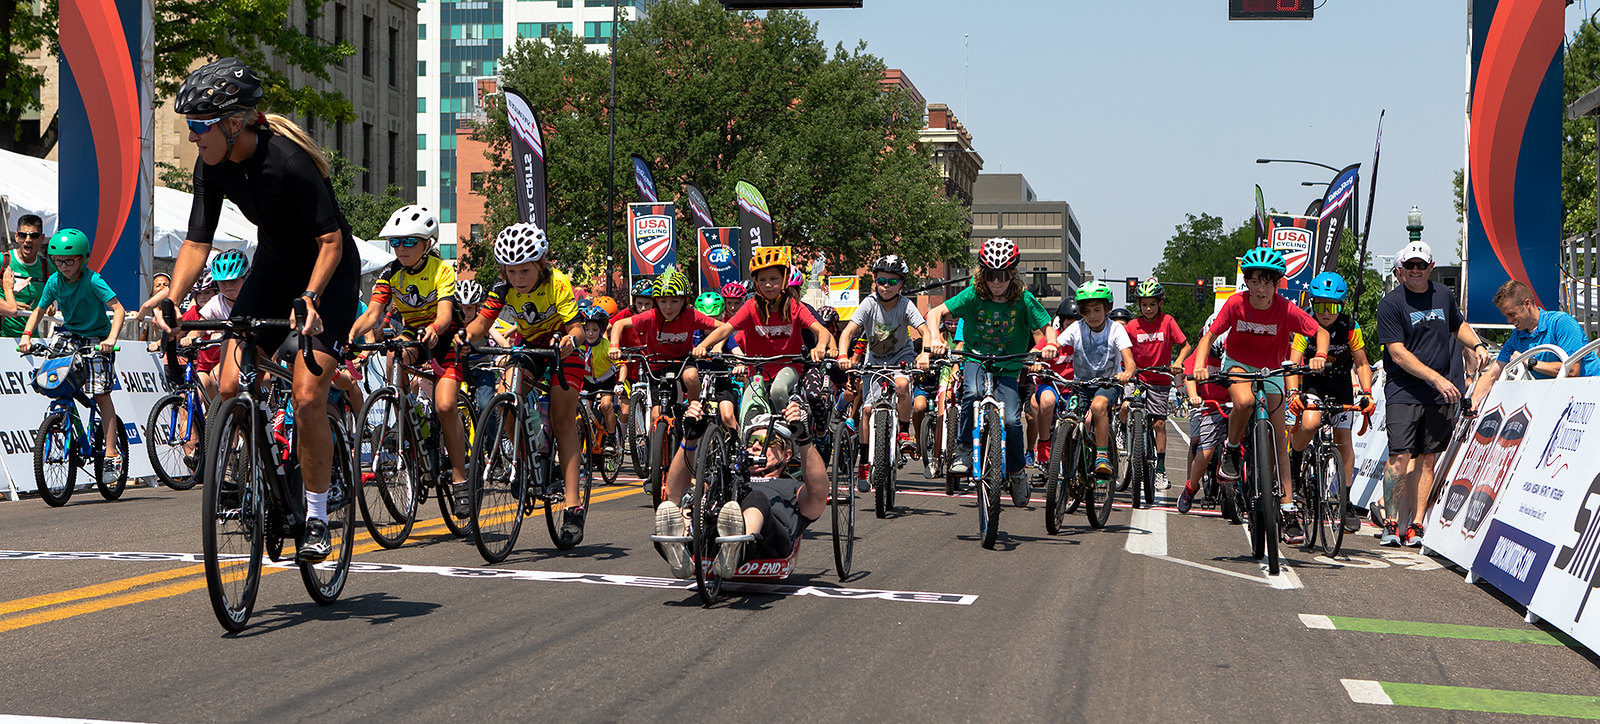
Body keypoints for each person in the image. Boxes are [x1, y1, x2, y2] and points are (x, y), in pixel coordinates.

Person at [141, 58, 364, 562]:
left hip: (327, 271)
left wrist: (309, 297)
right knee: (227, 385)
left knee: (308, 396)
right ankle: (263, 478)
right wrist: (174, 297)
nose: (193, 136)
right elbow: (197, 241)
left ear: (233, 122)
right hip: (275, 265)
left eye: (198, 126)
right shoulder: (211, 165)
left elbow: (330, 240)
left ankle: (315, 513)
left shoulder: (287, 160)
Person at [1193, 247, 1328, 545]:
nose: (1262, 288)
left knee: (1279, 442)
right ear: (1248, 282)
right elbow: (1209, 338)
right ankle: (1231, 447)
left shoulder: (1286, 308)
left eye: (1269, 282)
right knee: (1244, 401)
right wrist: (1201, 365)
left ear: (1277, 284)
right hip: (1239, 364)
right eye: (1255, 281)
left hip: (1273, 372)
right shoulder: (1235, 304)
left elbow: (1321, 332)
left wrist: (1319, 354)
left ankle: (1289, 509)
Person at [466, 222, 587, 545]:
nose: (518, 280)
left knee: (563, 422)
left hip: (562, 348)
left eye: (525, 271)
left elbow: (576, 328)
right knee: (505, 393)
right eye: (511, 272)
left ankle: (573, 506)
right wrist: (463, 338)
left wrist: (571, 343)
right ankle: (523, 460)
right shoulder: (502, 287)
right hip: (531, 347)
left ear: (540, 265)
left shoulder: (557, 282)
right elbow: (481, 323)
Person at [349, 205, 474, 515]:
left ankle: (460, 480)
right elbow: (373, 314)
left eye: (408, 242)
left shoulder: (441, 269)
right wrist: (351, 334)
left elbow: (445, 315)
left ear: (426, 243)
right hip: (412, 332)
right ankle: (406, 416)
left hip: (445, 337)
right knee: (393, 352)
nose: (400, 249)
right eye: (395, 243)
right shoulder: (390, 273)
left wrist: (434, 328)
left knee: (446, 406)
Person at [920, 238, 1057, 504]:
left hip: (1008, 365)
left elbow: (1047, 326)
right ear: (983, 274)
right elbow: (934, 313)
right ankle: (963, 450)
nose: (997, 281)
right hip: (977, 359)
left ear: (1012, 274)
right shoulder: (973, 294)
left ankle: (1017, 473)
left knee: (1013, 422)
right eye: (991, 275)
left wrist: (1050, 343)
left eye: (1003, 275)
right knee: (971, 392)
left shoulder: (1024, 299)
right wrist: (935, 338)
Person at [1375, 240, 1486, 547]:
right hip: (1404, 390)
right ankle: (1391, 521)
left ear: (1430, 268)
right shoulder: (1391, 304)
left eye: (1420, 266)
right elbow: (1397, 354)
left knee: (1427, 460)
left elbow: (1457, 326)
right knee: (1399, 457)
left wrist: (1476, 345)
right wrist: (1437, 378)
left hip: (1440, 395)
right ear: (1401, 269)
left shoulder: (1444, 295)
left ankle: (1417, 524)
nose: (1414, 271)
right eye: (1409, 265)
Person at [654, 399, 827, 580]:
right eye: (752, 440)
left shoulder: (792, 487)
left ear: (786, 455)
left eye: (766, 441)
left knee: (756, 497)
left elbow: (818, 496)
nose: (755, 445)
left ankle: (738, 546)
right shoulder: (727, 480)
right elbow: (675, 492)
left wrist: (803, 438)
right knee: (689, 497)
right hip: (718, 533)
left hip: (769, 541)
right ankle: (680, 547)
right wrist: (690, 438)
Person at [20, 229, 126, 482]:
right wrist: (26, 335)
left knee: (101, 394)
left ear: (83, 259)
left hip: (97, 338)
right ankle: (64, 417)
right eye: (58, 261)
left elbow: (118, 310)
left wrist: (110, 340)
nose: (63, 266)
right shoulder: (54, 281)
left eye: (70, 261)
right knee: (52, 379)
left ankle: (111, 453)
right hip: (69, 334)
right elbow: (39, 310)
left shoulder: (93, 280)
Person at [696, 245, 835, 428]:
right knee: (747, 407)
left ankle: (788, 432)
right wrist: (703, 346)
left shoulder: (794, 307)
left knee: (778, 390)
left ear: (784, 280)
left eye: (774, 279)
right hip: (758, 370)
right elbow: (726, 329)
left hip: (789, 366)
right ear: (756, 282)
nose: (768, 284)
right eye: (763, 280)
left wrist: (820, 346)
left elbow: (821, 331)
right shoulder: (750, 307)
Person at [1286, 271, 1374, 534]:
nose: (1326, 312)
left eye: (1332, 306)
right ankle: (1295, 457)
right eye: (1320, 305)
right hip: (1314, 384)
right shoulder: (1305, 324)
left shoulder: (1351, 327)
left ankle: (1345, 501)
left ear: (1342, 305)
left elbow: (1361, 362)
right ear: (1312, 303)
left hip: (1341, 386)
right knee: (1311, 422)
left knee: (1344, 440)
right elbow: (1293, 363)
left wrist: (1367, 392)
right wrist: (1293, 394)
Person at [838, 254, 928, 463]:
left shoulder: (906, 305)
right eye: (881, 281)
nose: (886, 286)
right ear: (875, 282)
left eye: (892, 282)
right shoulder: (868, 304)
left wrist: (925, 352)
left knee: (903, 385)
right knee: (867, 409)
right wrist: (844, 355)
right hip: (875, 360)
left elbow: (924, 330)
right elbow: (849, 331)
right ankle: (863, 462)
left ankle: (904, 432)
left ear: (901, 284)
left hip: (901, 357)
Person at [1055, 281, 1136, 482]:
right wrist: (1044, 353)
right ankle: (1069, 468)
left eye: (1097, 310)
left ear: (1107, 309)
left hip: (1108, 384)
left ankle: (1102, 457)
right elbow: (1055, 345)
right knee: (1067, 421)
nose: (1092, 316)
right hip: (1081, 385)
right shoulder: (1076, 328)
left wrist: (1126, 374)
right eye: (1087, 311)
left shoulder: (1116, 329)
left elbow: (1130, 362)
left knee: (1098, 407)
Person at [1472, 280, 1598, 404]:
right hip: (1564, 399)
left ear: (1527, 304)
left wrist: (1530, 362)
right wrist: (1474, 401)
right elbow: (1492, 374)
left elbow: (1572, 371)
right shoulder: (1516, 337)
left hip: (1592, 394)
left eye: (1511, 314)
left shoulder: (1562, 322)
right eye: (1506, 316)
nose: (1509, 320)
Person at [1123, 278, 1189, 490]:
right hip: (1137, 377)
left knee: (1159, 424)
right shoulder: (1132, 326)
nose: (1148, 308)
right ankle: (1123, 434)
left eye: (1152, 304)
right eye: (1144, 304)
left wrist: (1177, 362)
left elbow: (1186, 346)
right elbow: (1121, 350)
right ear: (1139, 305)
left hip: (1160, 380)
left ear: (1160, 303)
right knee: (1124, 406)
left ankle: (1160, 470)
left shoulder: (1168, 322)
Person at [1177, 315, 1230, 515]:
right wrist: (1193, 396)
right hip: (1211, 407)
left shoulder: (1237, 352)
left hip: (1235, 406)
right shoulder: (1202, 353)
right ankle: (1191, 487)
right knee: (1205, 452)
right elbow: (1189, 376)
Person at [1027, 298, 1080, 466]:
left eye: (1077, 323)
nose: (1072, 328)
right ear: (1061, 322)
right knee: (1047, 401)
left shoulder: (1085, 339)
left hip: (1076, 388)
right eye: (1069, 323)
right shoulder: (1054, 338)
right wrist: (1034, 363)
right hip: (1051, 385)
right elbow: (1034, 352)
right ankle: (1044, 444)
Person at [3, 213, 51, 337]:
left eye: (34, 235)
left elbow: (58, 295)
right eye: (23, 235)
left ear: (42, 238)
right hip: (2, 337)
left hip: (30, 339)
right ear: (16, 237)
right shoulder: (3, 260)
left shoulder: (48, 267)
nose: (28, 240)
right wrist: (8, 304)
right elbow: (10, 308)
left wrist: (50, 305)